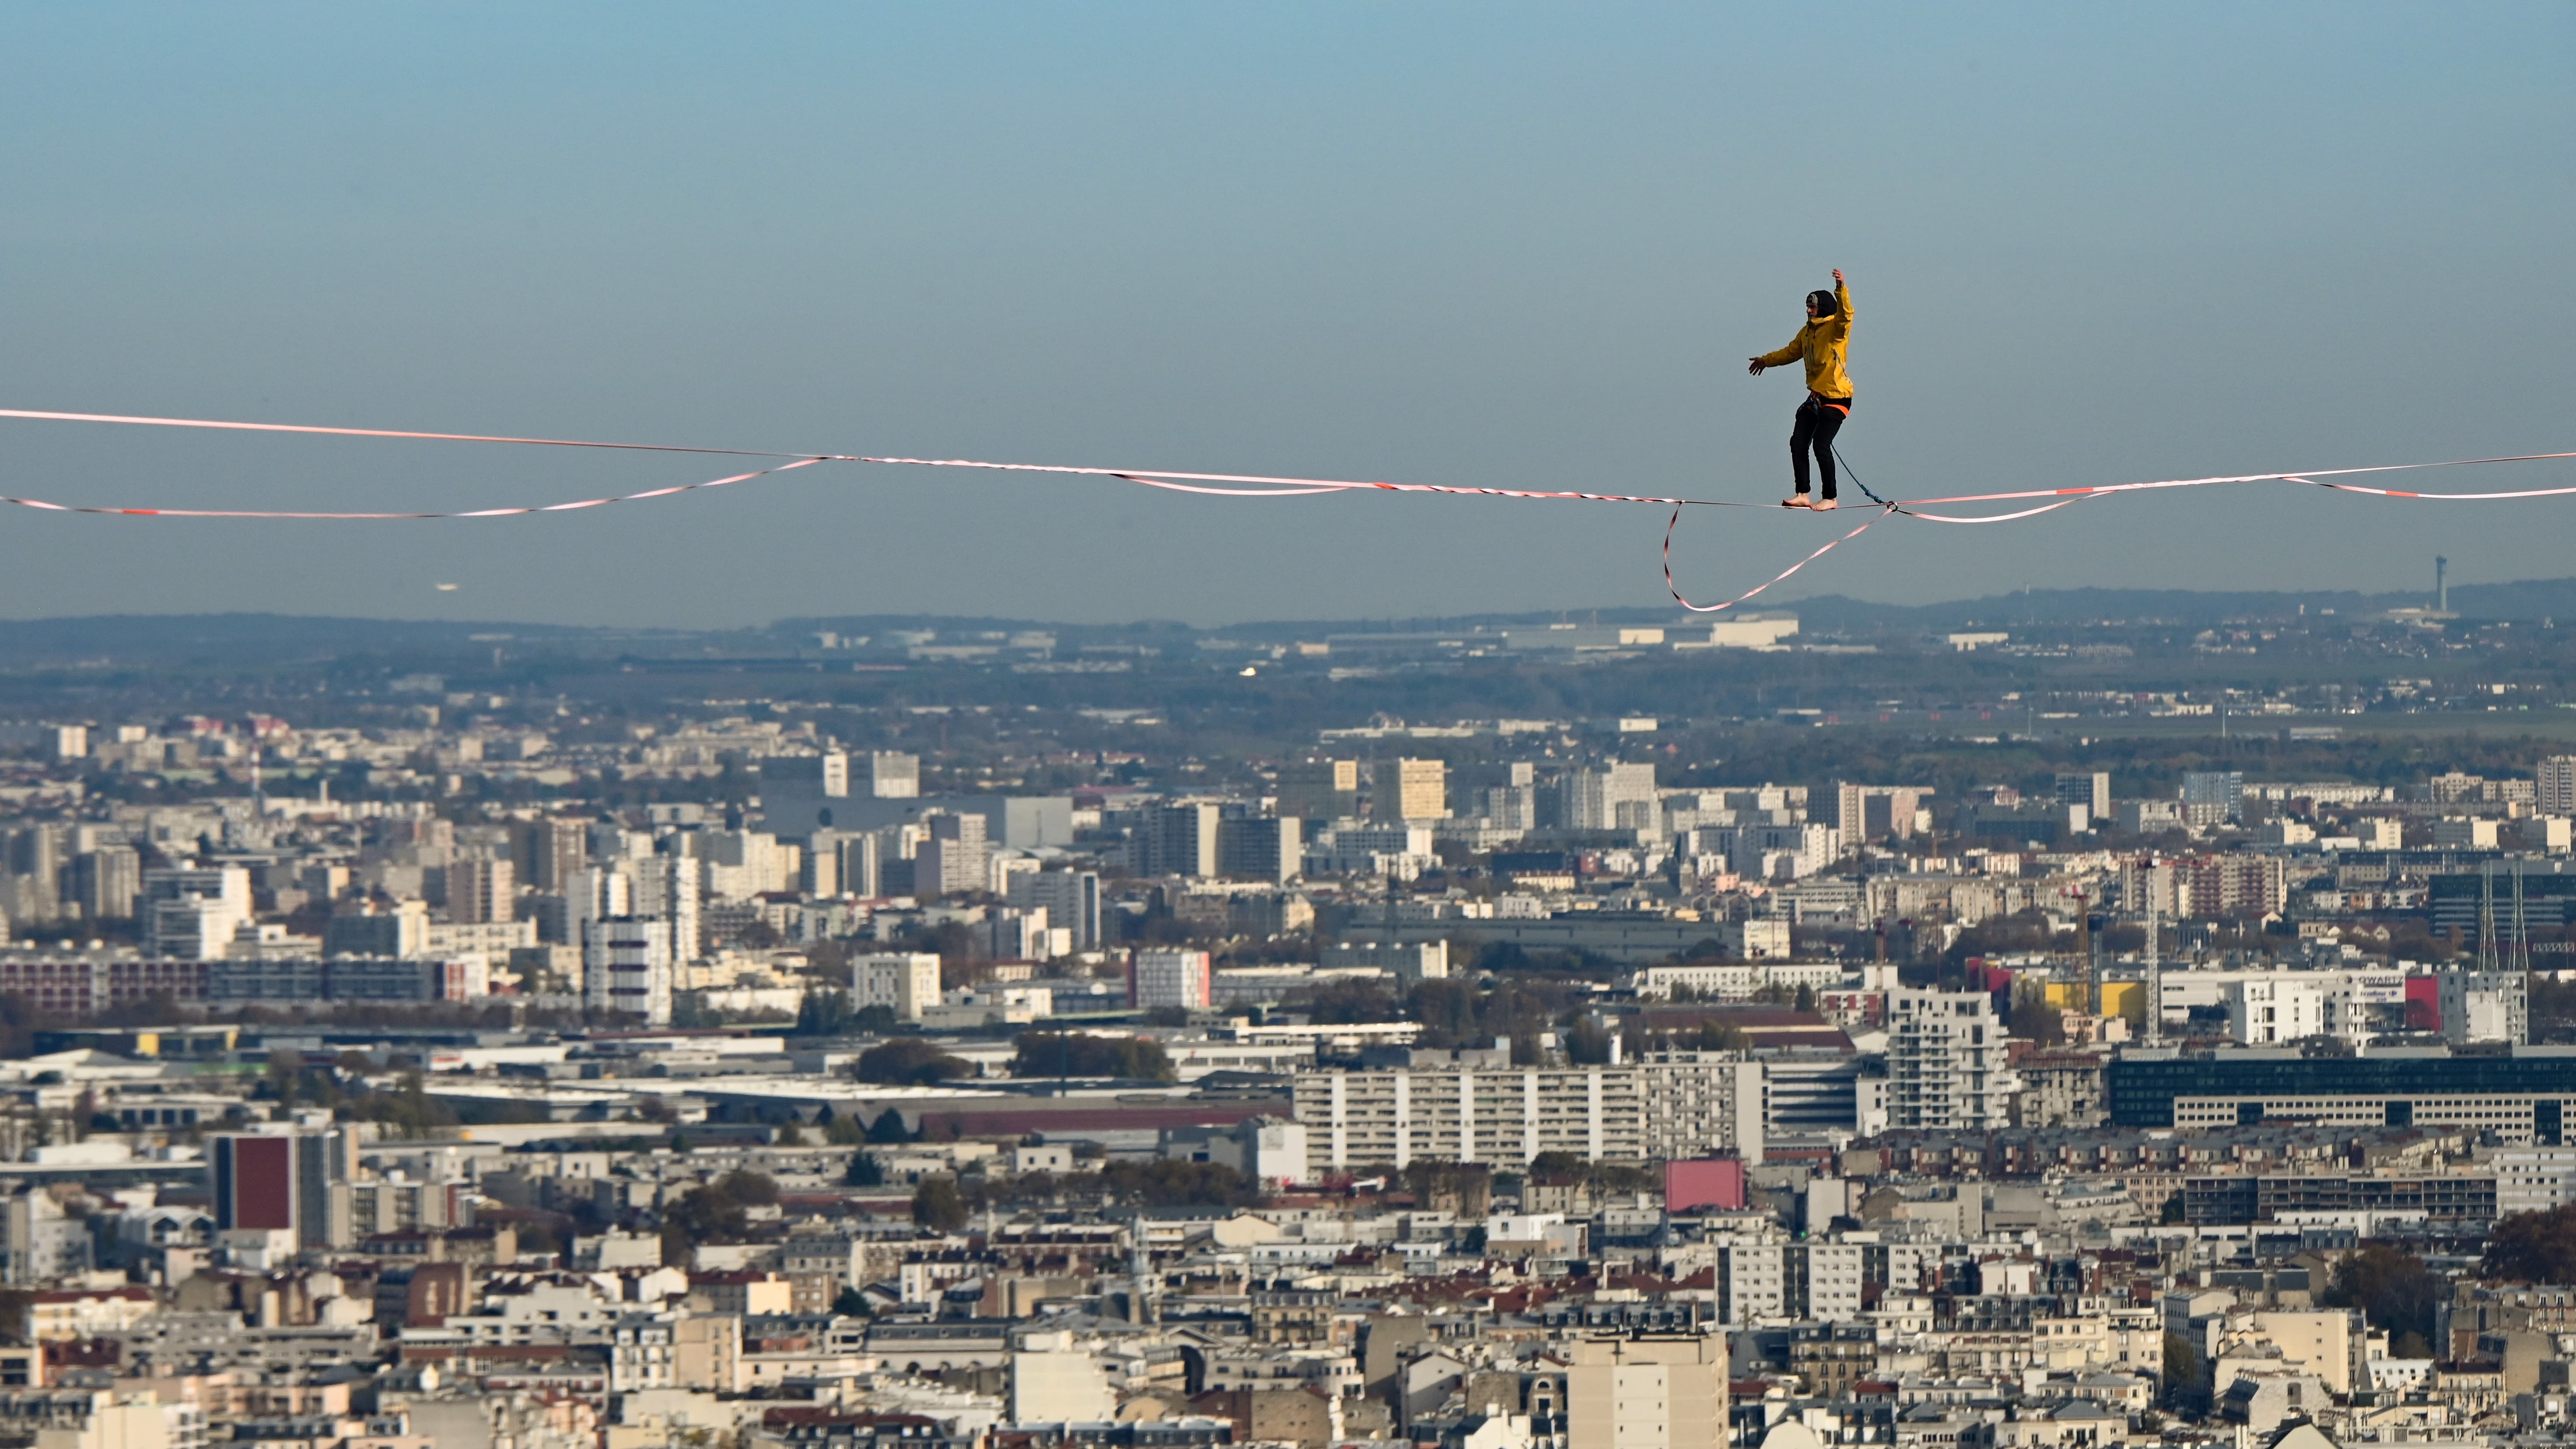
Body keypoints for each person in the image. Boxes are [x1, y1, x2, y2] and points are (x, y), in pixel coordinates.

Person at [1747, 269, 1853, 509]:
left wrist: (1841, 289)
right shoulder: (1807, 333)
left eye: (1812, 307)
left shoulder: (1835, 331)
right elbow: (1790, 352)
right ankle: (1803, 493)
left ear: (1823, 309)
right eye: (1807, 307)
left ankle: (1830, 498)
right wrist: (1765, 360)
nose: (1808, 311)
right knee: (1798, 442)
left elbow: (1846, 316)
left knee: (1821, 445)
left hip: (1838, 397)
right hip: (1816, 398)